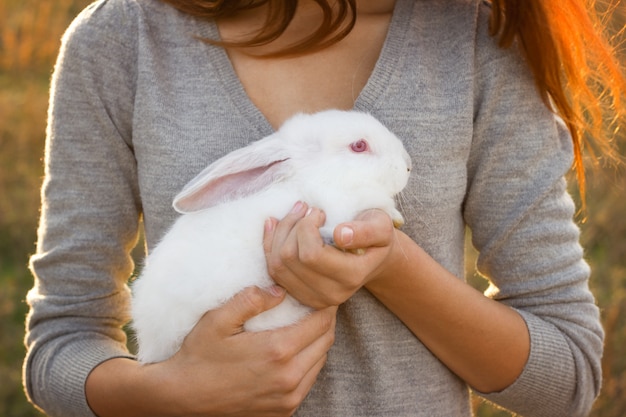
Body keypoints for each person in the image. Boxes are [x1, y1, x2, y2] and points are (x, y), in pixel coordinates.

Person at [23, 0, 625, 416]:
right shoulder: (120, 38)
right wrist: (168, 395)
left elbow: (567, 377)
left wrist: (391, 267)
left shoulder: (476, 34)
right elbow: (61, 343)